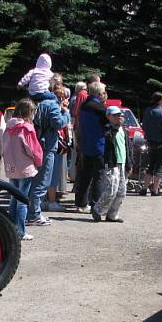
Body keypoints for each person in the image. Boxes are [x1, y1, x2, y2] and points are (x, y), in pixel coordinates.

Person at [26, 88, 69, 227]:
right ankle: (34, 215)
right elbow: (58, 123)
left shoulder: (35, 102)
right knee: (42, 181)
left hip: (35, 145)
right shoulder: (51, 104)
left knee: (33, 181)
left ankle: (31, 212)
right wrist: (66, 113)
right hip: (47, 146)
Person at [1, 98, 43, 241]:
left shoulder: (9, 126)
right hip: (25, 168)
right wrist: (38, 161)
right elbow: (33, 149)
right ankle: (21, 231)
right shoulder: (27, 128)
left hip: (12, 167)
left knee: (14, 198)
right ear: (28, 112)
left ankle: (10, 228)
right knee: (22, 200)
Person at [92, 106, 131, 223]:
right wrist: (115, 126)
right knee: (111, 190)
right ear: (108, 116)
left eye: (119, 115)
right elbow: (108, 139)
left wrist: (129, 163)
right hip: (111, 163)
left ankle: (112, 214)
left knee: (121, 191)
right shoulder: (107, 130)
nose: (118, 117)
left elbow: (127, 148)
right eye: (115, 115)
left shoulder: (123, 131)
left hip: (122, 163)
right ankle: (97, 209)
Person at [74, 80, 108, 211]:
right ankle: (95, 204)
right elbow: (108, 125)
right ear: (99, 93)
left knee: (85, 175)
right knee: (98, 175)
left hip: (85, 143)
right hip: (98, 145)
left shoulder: (84, 105)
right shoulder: (99, 108)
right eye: (104, 92)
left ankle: (80, 203)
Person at [140, 92, 162, 196]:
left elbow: (143, 126)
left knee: (150, 166)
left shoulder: (147, 111)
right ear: (160, 101)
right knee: (159, 167)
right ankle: (155, 190)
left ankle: (144, 188)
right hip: (161, 143)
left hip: (150, 142)